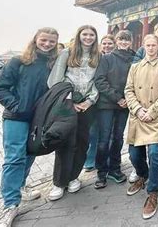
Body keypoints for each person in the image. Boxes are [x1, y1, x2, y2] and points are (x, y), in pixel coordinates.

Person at [0, 28, 59, 227]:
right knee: (14, 158)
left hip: (38, 120)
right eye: (44, 40)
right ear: (35, 39)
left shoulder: (52, 65)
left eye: (51, 42)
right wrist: (17, 106)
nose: (47, 44)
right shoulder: (19, 61)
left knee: (30, 153)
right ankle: (10, 205)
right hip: (16, 117)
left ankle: (21, 185)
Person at [47, 25, 100, 201]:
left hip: (87, 105)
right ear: (79, 35)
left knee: (82, 142)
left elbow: (97, 81)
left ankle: (73, 177)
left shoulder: (97, 56)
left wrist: (89, 100)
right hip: (67, 104)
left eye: (91, 35)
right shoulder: (67, 53)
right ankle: (59, 182)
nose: (88, 37)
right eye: (85, 34)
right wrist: (70, 101)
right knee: (66, 142)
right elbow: (55, 80)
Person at [124, 34, 158, 219]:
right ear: (143, 46)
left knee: (154, 154)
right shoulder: (135, 67)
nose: (151, 48)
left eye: (154, 45)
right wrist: (137, 109)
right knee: (134, 154)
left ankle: (153, 192)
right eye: (148, 45)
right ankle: (142, 175)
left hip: (155, 116)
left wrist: (151, 111)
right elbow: (128, 90)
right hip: (138, 115)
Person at [92, 30, 135, 189]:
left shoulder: (135, 59)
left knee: (118, 137)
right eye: (121, 39)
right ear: (116, 41)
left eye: (127, 40)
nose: (124, 42)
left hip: (125, 105)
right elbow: (100, 80)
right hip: (107, 104)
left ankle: (115, 169)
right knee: (104, 139)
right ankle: (101, 172)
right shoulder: (107, 58)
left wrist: (127, 100)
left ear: (131, 42)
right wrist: (117, 98)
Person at [84, 34, 117, 172]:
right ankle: (90, 160)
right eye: (104, 43)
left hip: (108, 101)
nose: (107, 46)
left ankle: (106, 159)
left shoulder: (115, 59)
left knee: (108, 133)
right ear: (100, 45)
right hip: (93, 101)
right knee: (93, 133)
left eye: (110, 43)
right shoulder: (95, 58)